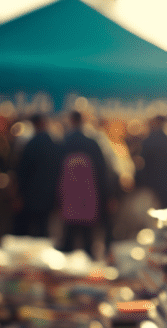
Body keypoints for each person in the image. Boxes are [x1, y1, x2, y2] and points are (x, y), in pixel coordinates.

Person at [57, 110, 109, 258]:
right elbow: (102, 171)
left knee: (68, 239)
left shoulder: (65, 142)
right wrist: (105, 197)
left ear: (71, 121)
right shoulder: (92, 143)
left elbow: (57, 172)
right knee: (88, 241)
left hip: (70, 198)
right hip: (88, 197)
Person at [14, 113, 62, 238]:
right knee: (43, 230)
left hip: (31, 195)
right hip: (48, 195)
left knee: (28, 232)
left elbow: (23, 172)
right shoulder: (54, 144)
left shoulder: (31, 144)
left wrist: (19, 194)